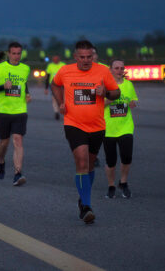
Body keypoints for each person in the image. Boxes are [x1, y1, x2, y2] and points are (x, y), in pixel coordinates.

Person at [51, 40, 120, 224]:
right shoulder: (65, 71)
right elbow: (55, 84)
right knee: (81, 161)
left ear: (93, 56)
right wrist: (60, 103)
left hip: (97, 126)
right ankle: (87, 207)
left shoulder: (103, 70)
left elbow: (116, 93)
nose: (86, 60)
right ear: (75, 57)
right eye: (82, 57)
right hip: (73, 124)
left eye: (89, 57)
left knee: (89, 164)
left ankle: (83, 198)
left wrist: (105, 92)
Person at [0, 42, 31, 186]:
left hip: (20, 111)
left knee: (18, 140)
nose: (16, 56)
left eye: (19, 53)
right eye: (13, 53)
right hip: (3, 111)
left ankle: (17, 173)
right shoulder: (0, 68)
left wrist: (28, 94)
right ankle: (1, 161)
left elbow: (24, 84)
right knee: (4, 143)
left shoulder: (25, 68)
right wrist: (2, 87)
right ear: (8, 53)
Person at [103, 59, 138, 199]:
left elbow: (133, 100)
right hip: (108, 129)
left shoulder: (129, 84)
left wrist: (132, 103)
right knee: (111, 160)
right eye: (116, 68)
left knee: (127, 157)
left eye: (122, 68)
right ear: (110, 69)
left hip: (126, 126)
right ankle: (111, 186)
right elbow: (97, 105)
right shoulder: (104, 86)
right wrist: (110, 100)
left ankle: (123, 183)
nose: (119, 70)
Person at [44, 55, 66, 120]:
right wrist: (46, 88)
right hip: (53, 85)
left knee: (64, 98)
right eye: (54, 59)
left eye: (56, 59)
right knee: (54, 99)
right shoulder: (50, 66)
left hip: (62, 85)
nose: (55, 60)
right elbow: (47, 78)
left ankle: (63, 110)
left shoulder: (63, 65)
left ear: (59, 59)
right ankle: (56, 112)